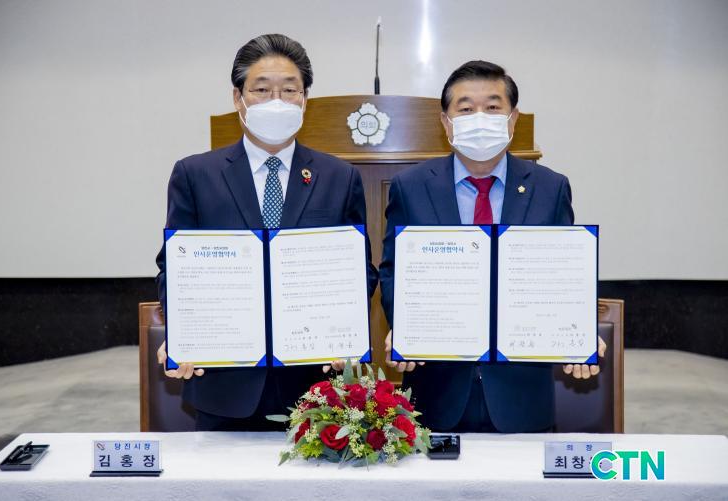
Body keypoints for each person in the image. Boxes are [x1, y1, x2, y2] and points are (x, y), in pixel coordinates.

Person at [154, 34, 377, 431]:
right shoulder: (195, 174)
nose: (277, 101)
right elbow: (174, 268)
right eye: (261, 90)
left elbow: (360, 270)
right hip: (224, 386)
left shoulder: (339, 177)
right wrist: (184, 334)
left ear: (305, 100)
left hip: (315, 386)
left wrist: (347, 331)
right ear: (237, 98)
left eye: (289, 90)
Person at [379, 60, 606, 433]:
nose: (480, 118)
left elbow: (564, 274)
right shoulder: (411, 186)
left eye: (493, 107)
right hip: (437, 390)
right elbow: (392, 271)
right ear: (446, 122)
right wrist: (405, 326)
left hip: (521, 395)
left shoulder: (550, 188)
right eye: (466, 109)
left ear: (513, 119)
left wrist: (578, 331)